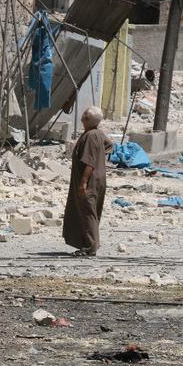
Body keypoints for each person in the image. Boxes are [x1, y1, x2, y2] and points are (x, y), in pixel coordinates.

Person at [63, 106, 112, 256]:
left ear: (88, 119)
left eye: (86, 114)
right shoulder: (97, 133)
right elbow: (109, 145)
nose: (83, 116)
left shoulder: (91, 136)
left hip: (90, 181)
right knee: (90, 211)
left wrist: (83, 182)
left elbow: (90, 162)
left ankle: (91, 247)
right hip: (98, 179)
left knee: (88, 212)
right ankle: (88, 243)